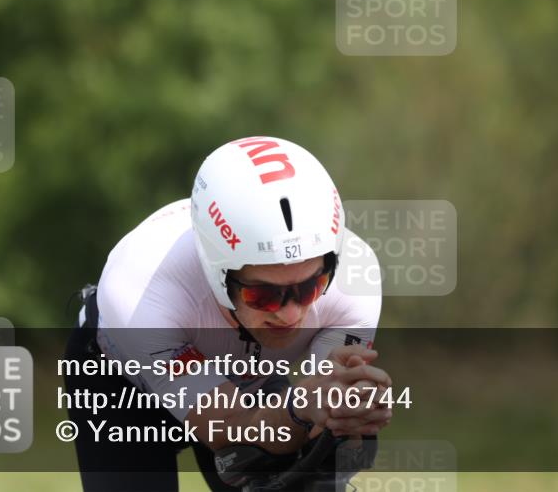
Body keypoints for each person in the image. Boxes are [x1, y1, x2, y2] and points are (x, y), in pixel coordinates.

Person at [63, 136, 392, 491]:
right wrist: (300, 407)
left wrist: (346, 416)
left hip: (251, 376)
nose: (290, 314)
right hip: (122, 384)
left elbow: (317, 424)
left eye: (311, 287)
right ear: (217, 272)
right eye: (264, 295)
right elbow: (229, 428)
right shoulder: (142, 291)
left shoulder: (355, 280)